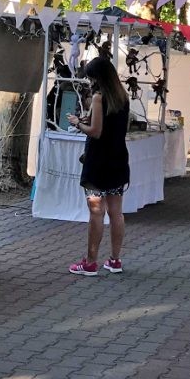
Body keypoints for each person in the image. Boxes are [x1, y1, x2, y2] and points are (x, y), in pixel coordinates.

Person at [66, 56, 130, 275]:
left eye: (91, 78)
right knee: (116, 212)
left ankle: (90, 261)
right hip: (118, 159)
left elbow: (96, 131)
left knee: (96, 212)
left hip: (98, 161)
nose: (90, 82)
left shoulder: (98, 98)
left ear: (97, 78)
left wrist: (78, 123)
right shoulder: (122, 97)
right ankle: (115, 259)